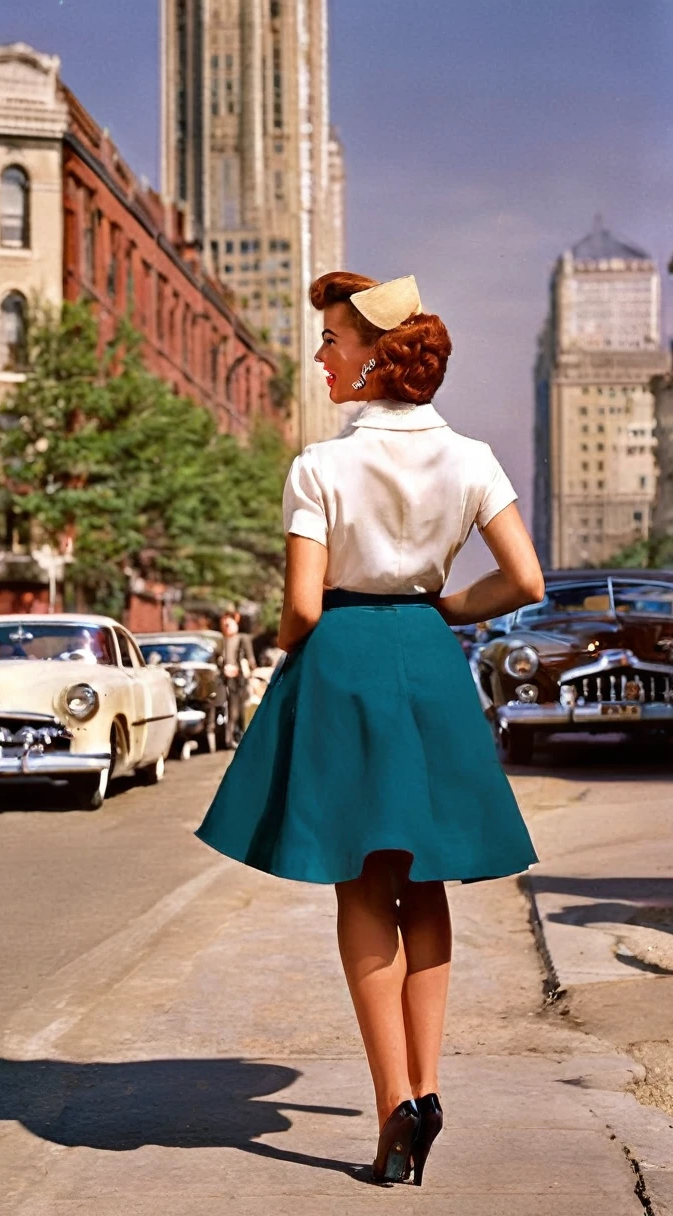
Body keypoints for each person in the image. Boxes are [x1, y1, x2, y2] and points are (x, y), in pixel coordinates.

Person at [196, 272, 543, 1187]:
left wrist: (281, 644)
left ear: (373, 358)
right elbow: (528, 582)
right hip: (428, 661)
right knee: (425, 881)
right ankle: (427, 1088)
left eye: (333, 341)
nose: (320, 356)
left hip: (345, 657)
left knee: (360, 881)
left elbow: (304, 605)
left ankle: (393, 1106)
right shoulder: (473, 459)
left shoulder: (320, 467)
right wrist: (446, 609)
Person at [219, 609, 256, 743]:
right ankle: (230, 739)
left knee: (241, 710)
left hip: (240, 679)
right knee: (232, 710)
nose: (227, 625)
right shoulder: (222, 641)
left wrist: (251, 673)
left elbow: (250, 659)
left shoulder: (242, 639)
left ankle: (240, 737)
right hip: (226, 681)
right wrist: (224, 669)